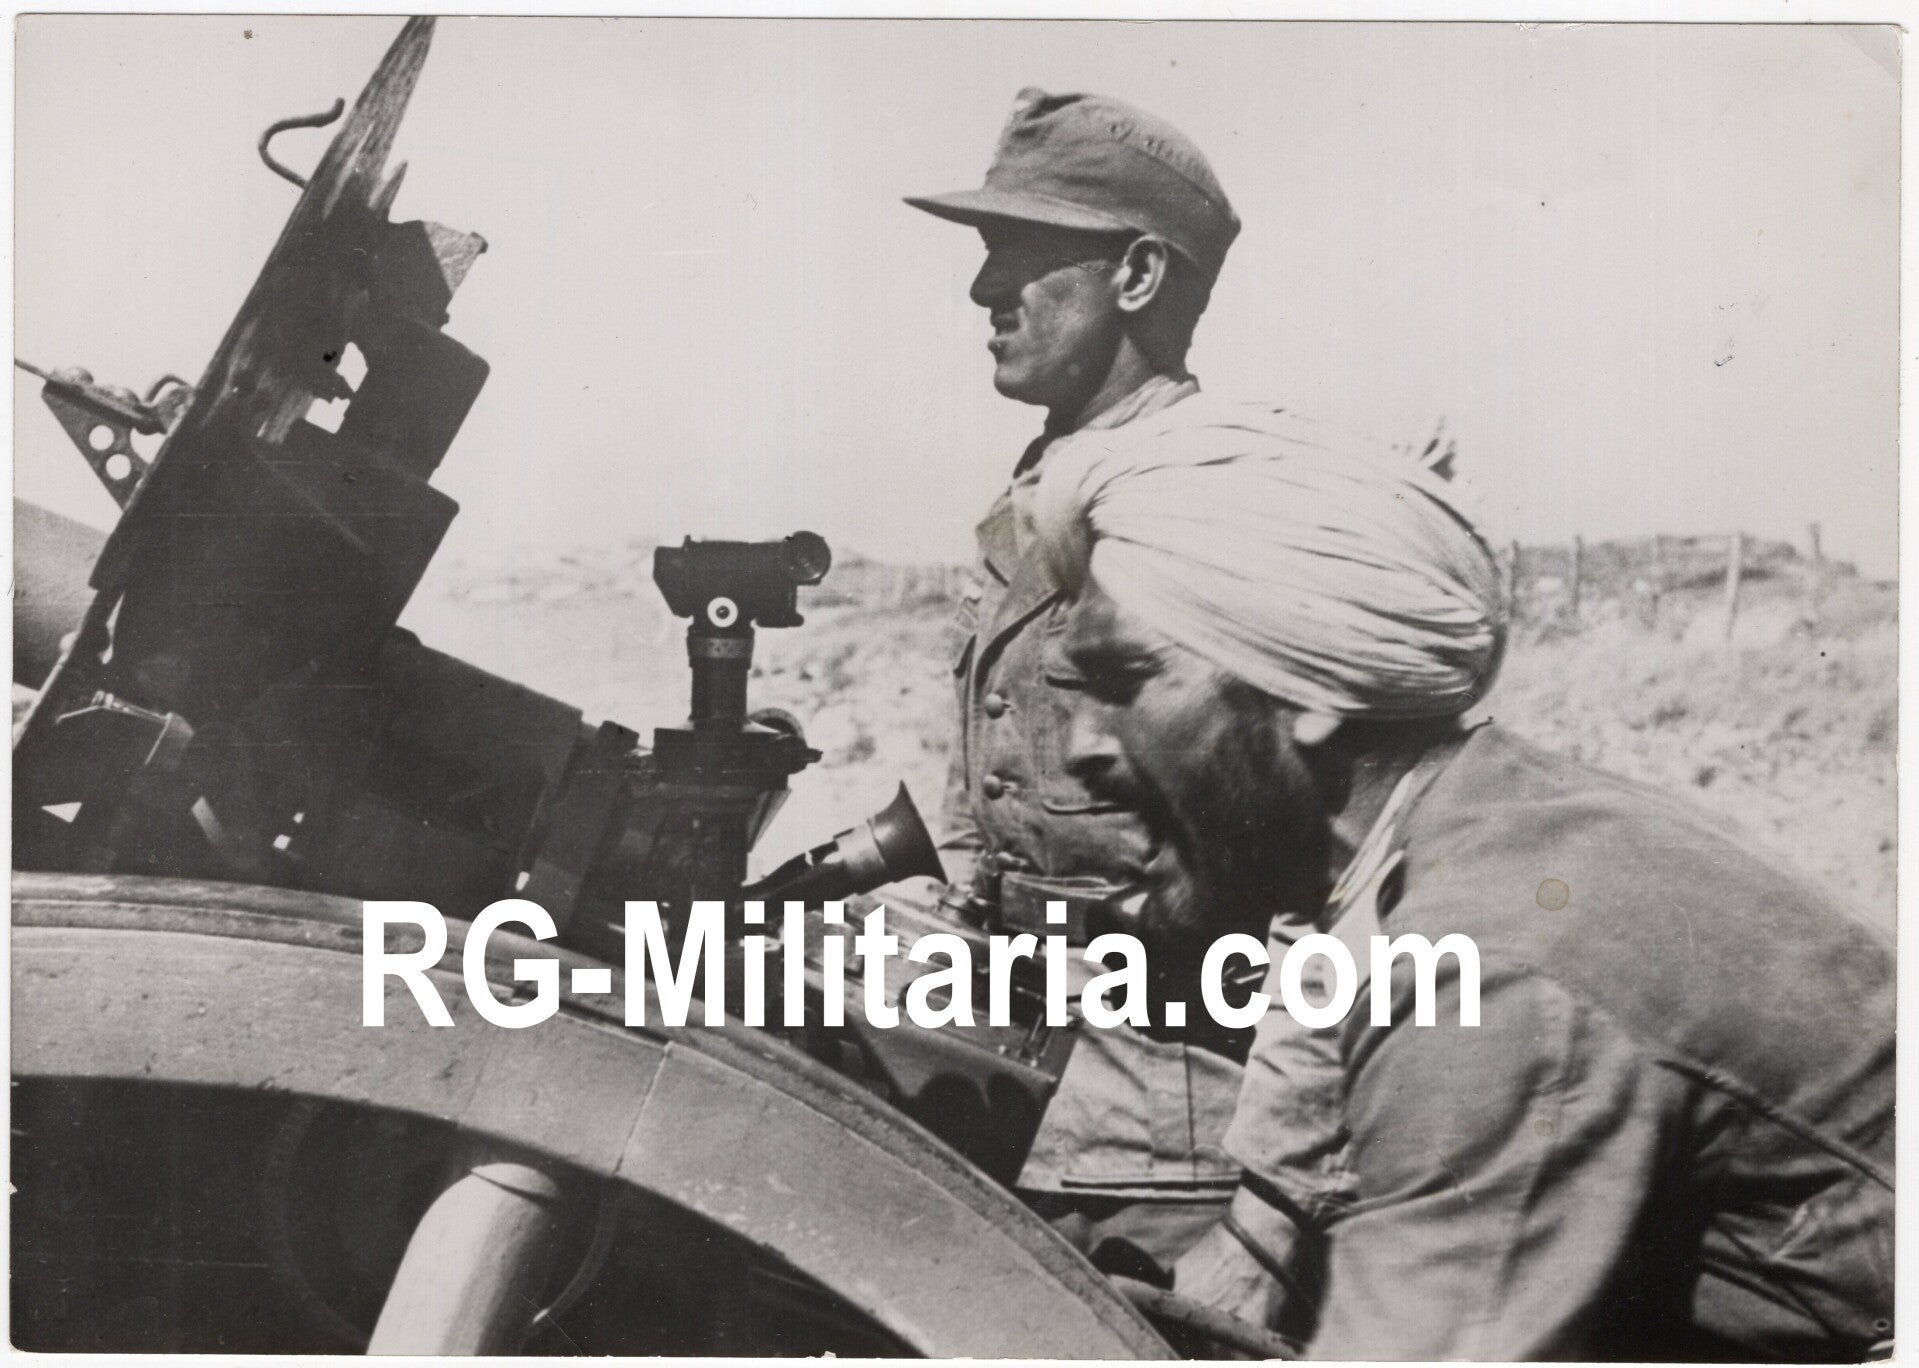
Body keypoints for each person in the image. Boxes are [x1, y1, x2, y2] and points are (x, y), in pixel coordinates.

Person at [1028, 429, 1896, 1360]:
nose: (1081, 745)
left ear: (1309, 686)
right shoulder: (1469, 819)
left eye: (1126, 680)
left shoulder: (1488, 972)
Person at [900, 88, 1259, 1269]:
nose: (979, 290)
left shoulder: (1199, 513)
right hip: (1024, 1091)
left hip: (1158, 1150)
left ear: (1140, 277)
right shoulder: (1042, 483)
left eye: (1022, 253)